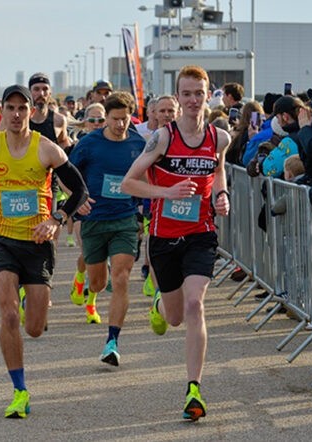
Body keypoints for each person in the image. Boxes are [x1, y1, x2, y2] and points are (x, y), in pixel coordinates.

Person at [0, 84, 89, 419]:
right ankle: (19, 390)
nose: (16, 115)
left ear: (31, 111)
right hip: (1, 239)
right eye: (11, 108)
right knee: (9, 313)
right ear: (4, 111)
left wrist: (57, 218)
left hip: (38, 243)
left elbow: (79, 190)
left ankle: (35, 302)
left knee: (34, 327)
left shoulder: (46, 149)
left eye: (22, 109)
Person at [121, 65, 231, 421]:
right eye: (186, 94)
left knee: (195, 305)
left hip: (201, 233)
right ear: (178, 97)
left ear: (207, 94)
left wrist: (222, 194)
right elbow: (129, 183)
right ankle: (158, 302)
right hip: (164, 236)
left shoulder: (220, 137)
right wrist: (165, 192)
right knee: (174, 317)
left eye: (199, 93)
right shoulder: (163, 138)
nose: (193, 100)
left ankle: (193, 389)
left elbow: (217, 171)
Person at [70, 92, 146, 364]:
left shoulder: (139, 143)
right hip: (94, 219)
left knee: (122, 277)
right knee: (98, 282)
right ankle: (84, 285)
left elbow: (147, 175)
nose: (120, 125)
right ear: (106, 119)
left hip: (124, 219)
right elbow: (65, 175)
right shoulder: (89, 143)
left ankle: (112, 341)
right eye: (115, 120)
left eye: (125, 119)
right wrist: (76, 202)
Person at [67, 103, 107, 314]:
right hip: (84, 208)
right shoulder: (79, 147)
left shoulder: (115, 143)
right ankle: (81, 279)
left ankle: (91, 302)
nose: (97, 124)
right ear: (84, 123)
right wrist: (77, 201)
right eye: (92, 120)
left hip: (108, 208)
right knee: (90, 255)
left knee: (100, 259)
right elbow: (65, 178)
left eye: (100, 120)